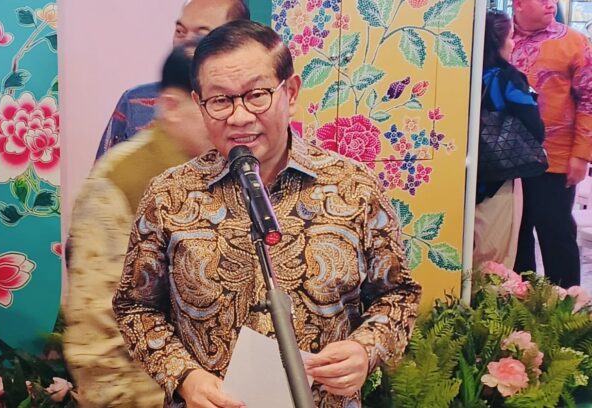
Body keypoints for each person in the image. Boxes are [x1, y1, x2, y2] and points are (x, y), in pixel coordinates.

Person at [113, 20, 422, 408]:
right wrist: (184, 376)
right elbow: (135, 307)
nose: (239, 117)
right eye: (220, 101)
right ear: (199, 104)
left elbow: (398, 296)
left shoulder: (354, 188)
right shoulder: (168, 196)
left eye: (257, 95)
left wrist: (366, 349)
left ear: (289, 92)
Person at [64, 44, 213, 408]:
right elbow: (97, 324)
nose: (226, 118)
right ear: (173, 107)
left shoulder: (224, 170)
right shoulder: (122, 180)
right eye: (209, 104)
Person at [94, 0, 250, 160]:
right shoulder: (135, 102)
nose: (185, 42)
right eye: (180, 31)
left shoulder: (250, 109)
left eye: (201, 34)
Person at [512, 0, 592, 287]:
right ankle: (519, 304)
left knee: (556, 234)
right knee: (515, 237)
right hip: (505, 160)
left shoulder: (575, 43)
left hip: (555, 160)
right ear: (519, 4)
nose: (551, 4)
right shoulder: (499, 38)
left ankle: (567, 307)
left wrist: (581, 155)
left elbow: (589, 100)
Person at [474, 10, 545, 269]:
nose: (513, 43)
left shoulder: (463, 74)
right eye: (510, 37)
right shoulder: (507, 78)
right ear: (498, 42)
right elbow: (535, 128)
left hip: (463, 175)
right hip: (498, 178)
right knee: (494, 256)